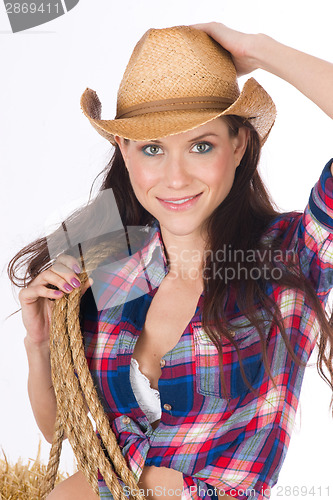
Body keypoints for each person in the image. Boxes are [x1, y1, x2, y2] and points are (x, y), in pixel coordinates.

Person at [7, 22, 333, 500]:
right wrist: (40, 344)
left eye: (201, 146)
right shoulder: (107, 248)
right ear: (123, 149)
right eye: (152, 149)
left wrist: (260, 51)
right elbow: (73, 437)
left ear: (239, 144)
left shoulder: (287, 258)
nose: (175, 178)